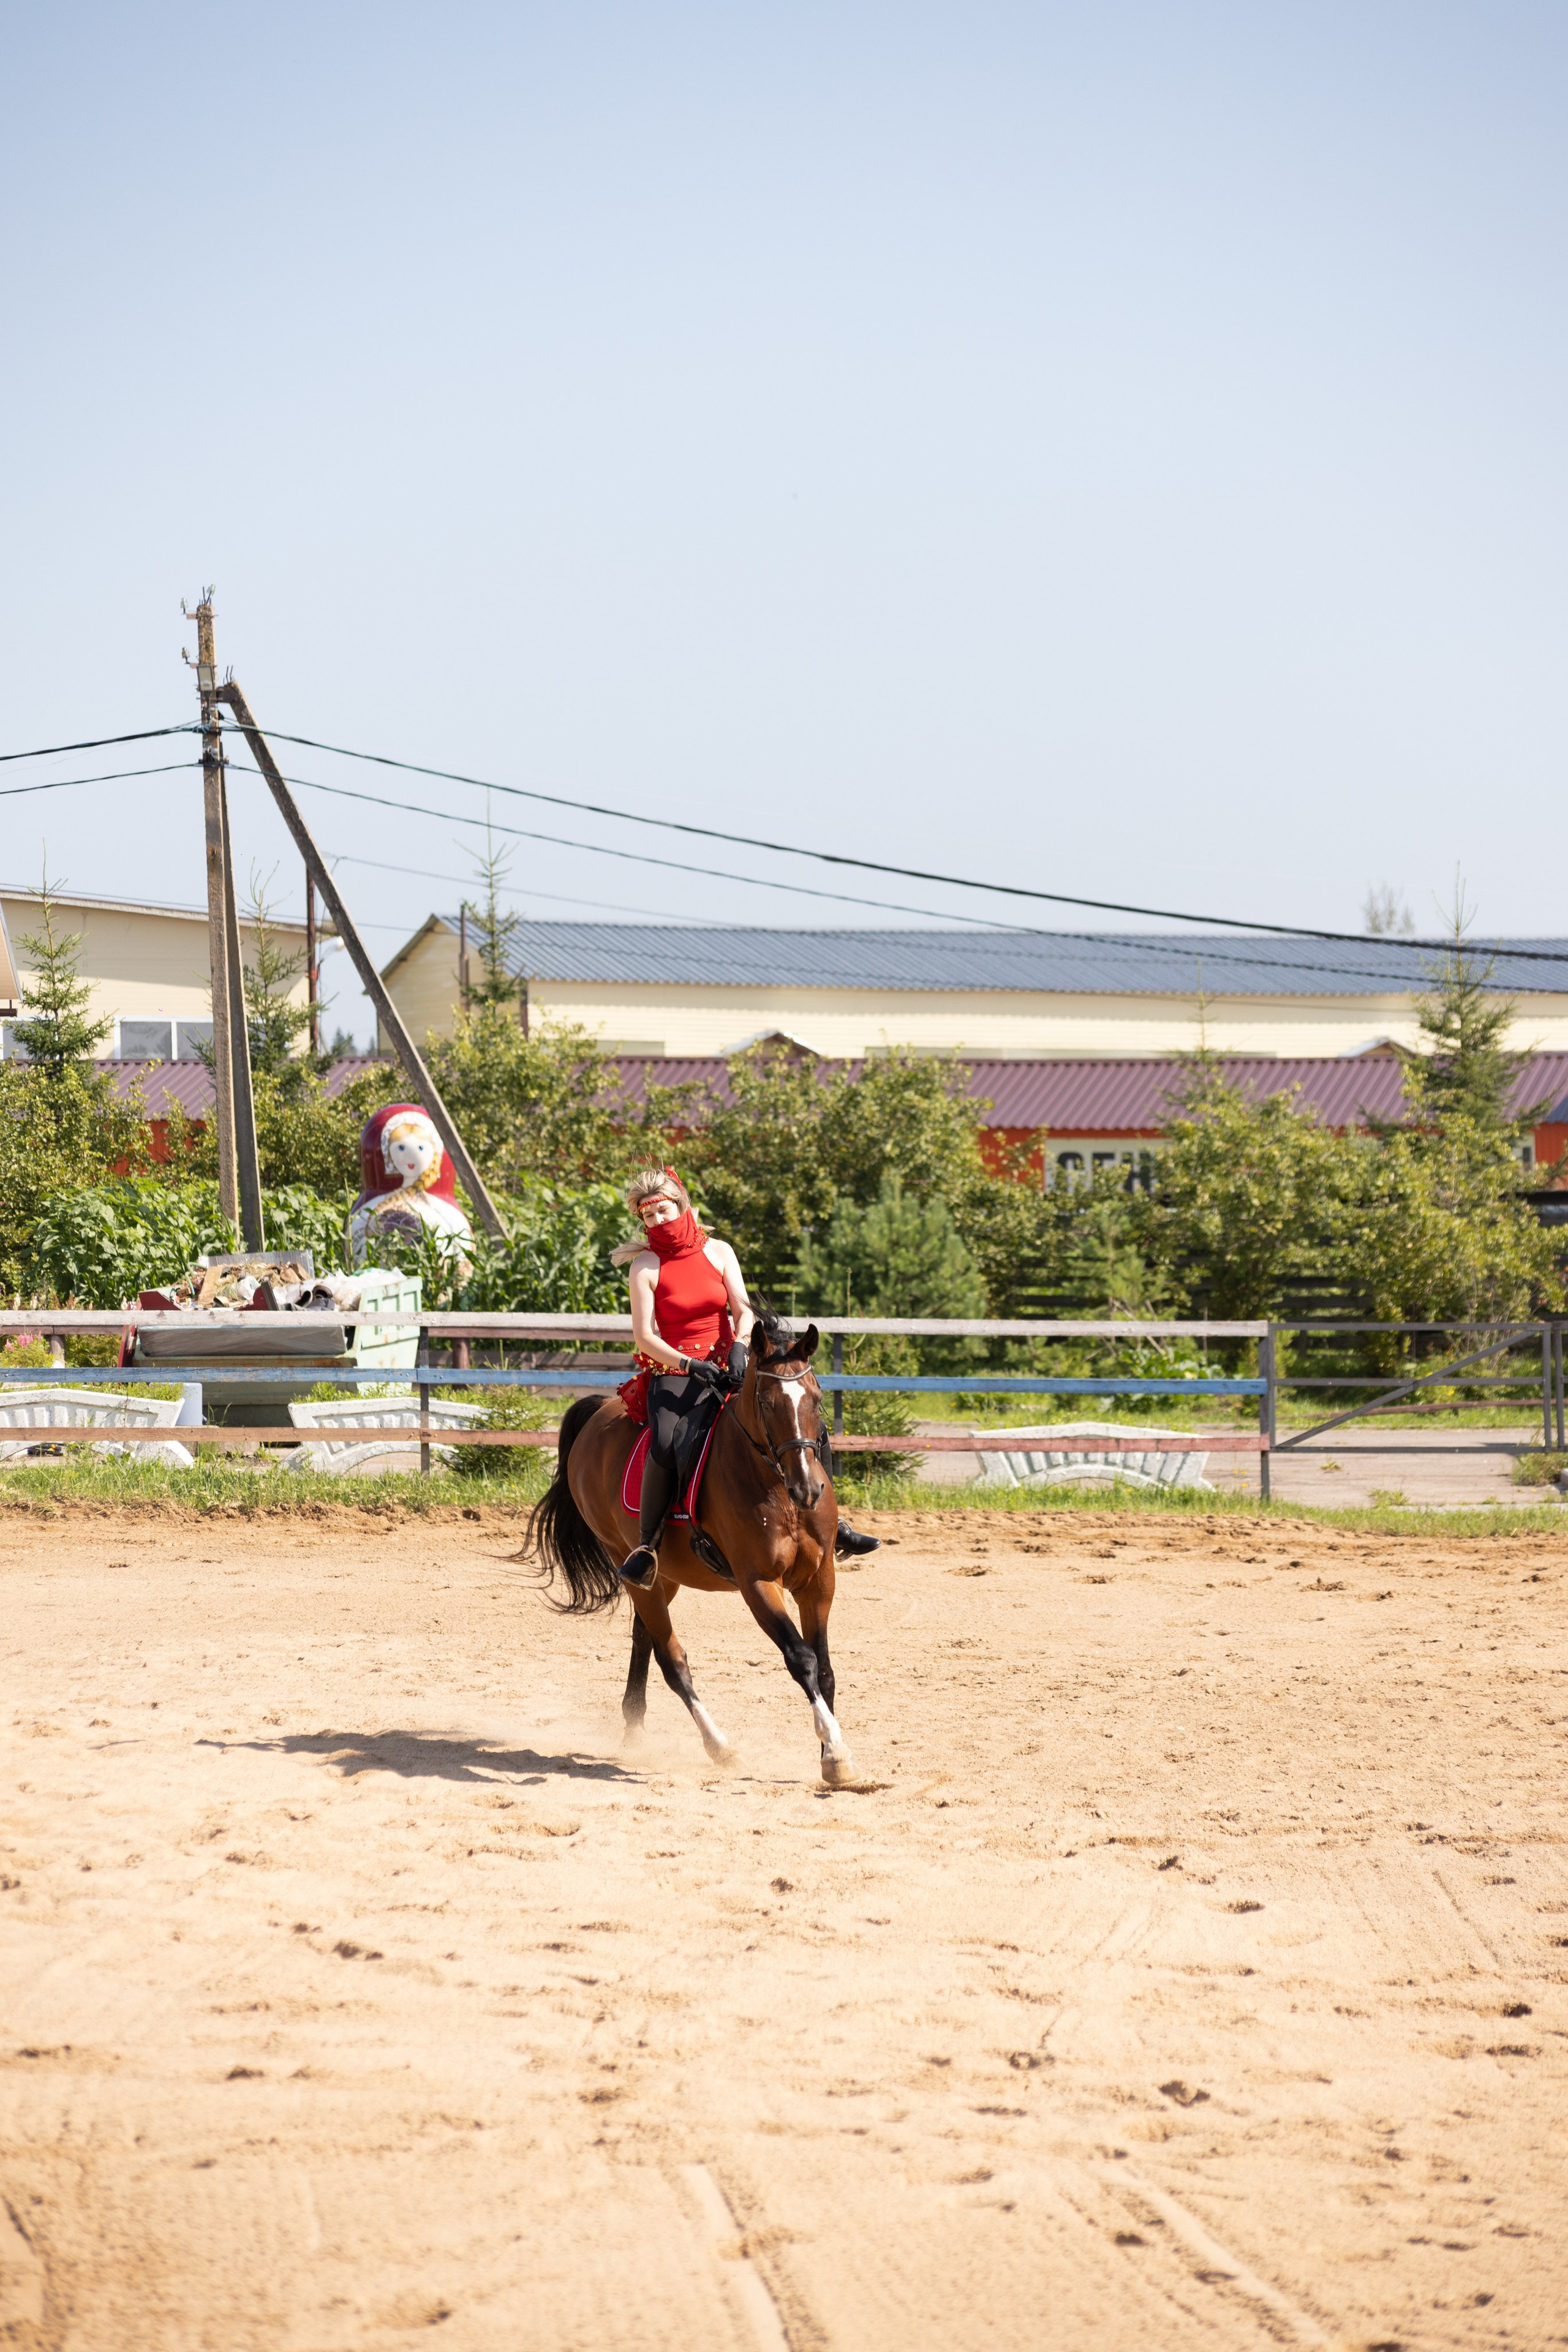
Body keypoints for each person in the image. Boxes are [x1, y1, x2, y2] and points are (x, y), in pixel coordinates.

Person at [612, 1166, 880, 1587]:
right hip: (676, 1370)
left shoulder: (719, 1251)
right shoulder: (644, 1266)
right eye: (649, 1217)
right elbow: (645, 1336)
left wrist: (740, 1344)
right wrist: (688, 1364)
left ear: (681, 1206)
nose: (658, 1222)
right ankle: (648, 1546)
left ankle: (837, 1524)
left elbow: (743, 1310)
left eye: (664, 1211)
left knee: (807, 1425)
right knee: (664, 1442)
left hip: (730, 1362)